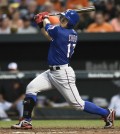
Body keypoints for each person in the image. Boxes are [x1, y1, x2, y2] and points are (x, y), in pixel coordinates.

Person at [11, 10, 115, 129]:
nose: (61, 20)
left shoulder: (61, 32)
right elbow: (49, 35)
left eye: (65, 19)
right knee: (31, 88)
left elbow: (49, 27)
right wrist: (41, 23)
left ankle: (107, 113)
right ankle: (26, 121)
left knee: (78, 104)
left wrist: (44, 18)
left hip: (62, 74)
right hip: (51, 72)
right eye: (62, 18)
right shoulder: (69, 33)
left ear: (70, 23)